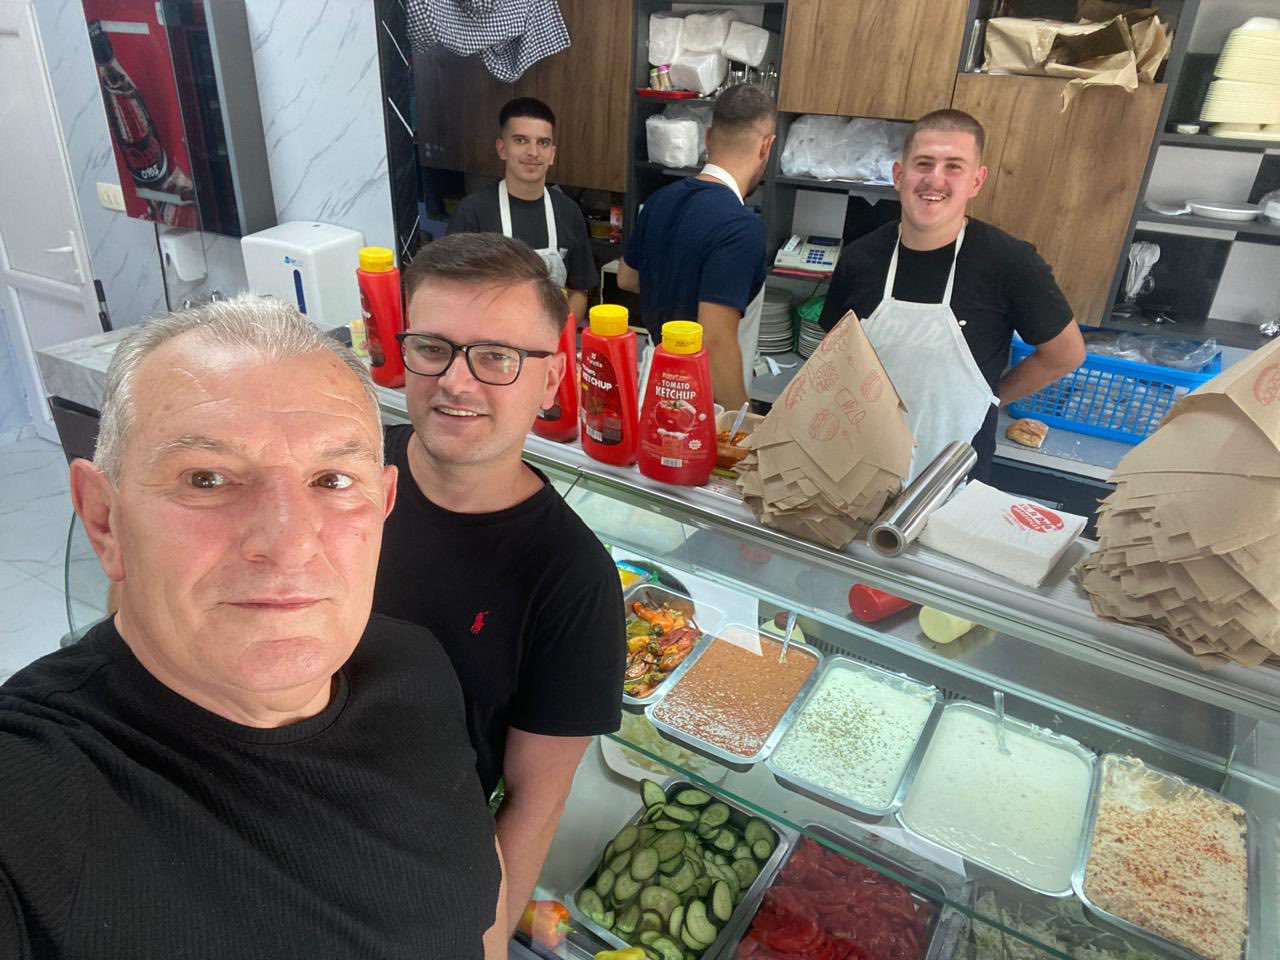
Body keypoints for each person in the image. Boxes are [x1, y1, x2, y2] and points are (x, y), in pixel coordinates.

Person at [0, 296, 507, 959]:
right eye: (207, 479)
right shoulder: (34, 796)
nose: (289, 542)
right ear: (104, 519)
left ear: (382, 506)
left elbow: (475, 891)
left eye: (332, 479)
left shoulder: (414, 666)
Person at [372, 233, 625, 931]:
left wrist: (483, 943)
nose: (456, 382)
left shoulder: (573, 581)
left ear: (551, 379)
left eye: (495, 357)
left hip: (412, 882)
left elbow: (533, 804)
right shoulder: (340, 472)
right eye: (433, 347)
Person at [818, 109, 1086, 483]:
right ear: (898, 175)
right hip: (857, 466)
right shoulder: (860, 257)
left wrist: (990, 396)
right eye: (923, 164)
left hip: (953, 476)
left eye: (953, 167)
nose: (935, 179)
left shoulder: (1010, 262)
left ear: (976, 181)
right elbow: (834, 352)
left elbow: (1065, 354)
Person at [617, 83, 777, 410]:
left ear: (708, 137)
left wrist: (674, 289)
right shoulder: (741, 228)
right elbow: (715, 341)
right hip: (702, 405)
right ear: (766, 146)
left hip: (653, 385)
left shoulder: (660, 201)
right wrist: (741, 423)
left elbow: (627, 278)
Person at [448, 96, 596, 324]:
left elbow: (579, 291)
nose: (533, 152)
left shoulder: (568, 212)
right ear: (502, 149)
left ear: (552, 154)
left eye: (543, 143)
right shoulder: (472, 212)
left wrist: (556, 333)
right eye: (520, 140)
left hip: (551, 338)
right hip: (489, 339)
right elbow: (450, 293)